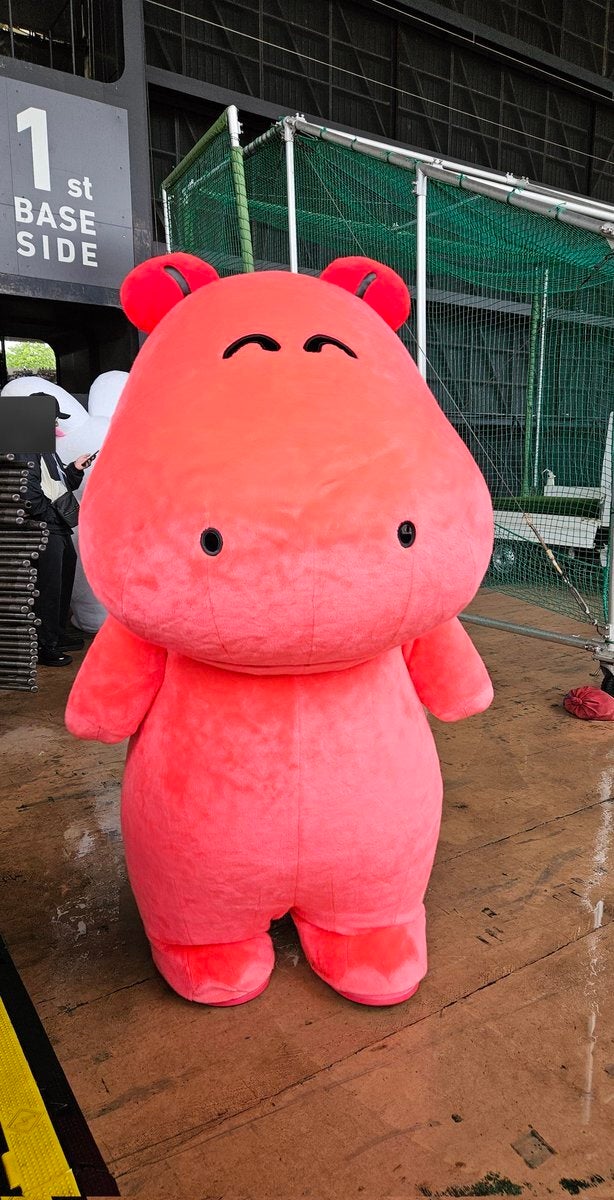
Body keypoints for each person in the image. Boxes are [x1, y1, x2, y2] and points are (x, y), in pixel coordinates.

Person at [21, 398, 91, 666]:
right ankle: (44, 646)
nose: (55, 423)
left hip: (56, 525)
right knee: (48, 587)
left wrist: (74, 469)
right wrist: (50, 518)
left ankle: (56, 634)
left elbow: (58, 484)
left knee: (62, 580)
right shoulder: (25, 447)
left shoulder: (46, 449)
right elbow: (28, 493)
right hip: (43, 526)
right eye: (51, 417)